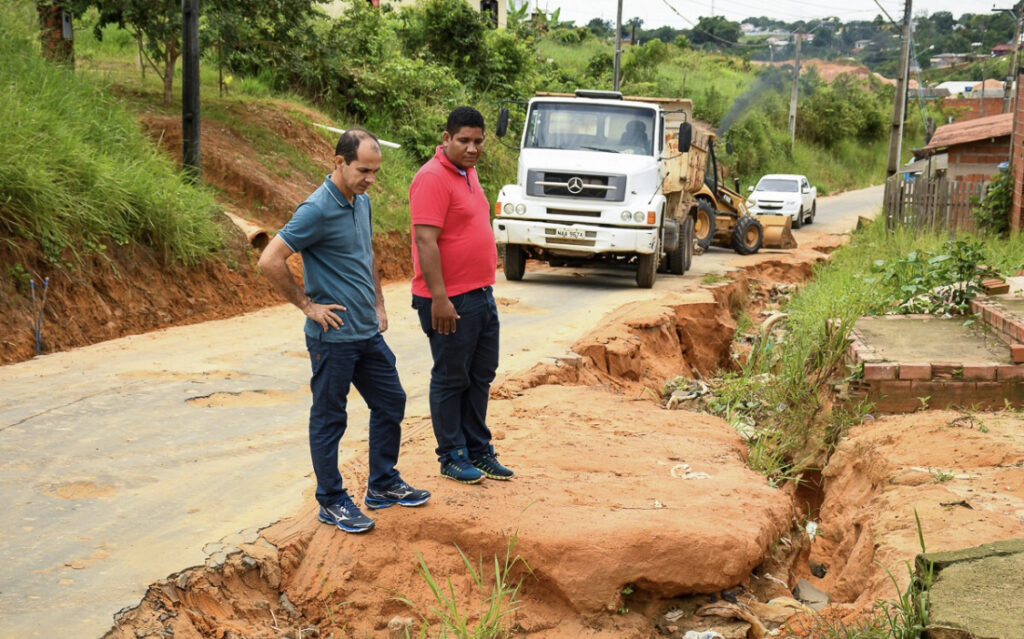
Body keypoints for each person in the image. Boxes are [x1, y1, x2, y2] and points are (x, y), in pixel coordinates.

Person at [259, 128, 429, 534]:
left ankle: (383, 484)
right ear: (339, 162)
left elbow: (365, 251)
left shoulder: (361, 201)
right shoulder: (316, 209)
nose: (370, 178)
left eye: (375, 171)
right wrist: (307, 305)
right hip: (331, 339)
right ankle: (331, 500)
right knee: (329, 418)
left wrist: (379, 301)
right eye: (363, 170)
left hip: (366, 333)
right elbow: (270, 259)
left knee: (391, 401)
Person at [409, 106, 514, 485]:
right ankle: (451, 454)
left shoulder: (468, 173)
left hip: (480, 294)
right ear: (446, 139)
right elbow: (425, 239)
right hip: (448, 299)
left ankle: (477, 449)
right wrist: (439, 298)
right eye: (464, 141)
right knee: (452, 376)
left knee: (481, 374)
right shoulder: (432, 177)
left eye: (478, 141)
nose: (472, 148)